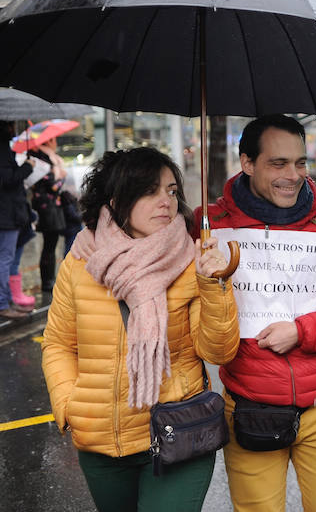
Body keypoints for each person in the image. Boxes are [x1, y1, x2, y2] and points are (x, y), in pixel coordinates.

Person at [196, 114, 316, 512]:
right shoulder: (210, 229)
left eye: (300, 162)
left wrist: (303, 330)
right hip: (248, 405)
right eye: (278, 163)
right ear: (247, 163)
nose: (292, 175)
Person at [41, 147, 239, 512]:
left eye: (171, 190)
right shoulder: (81, 260)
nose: (165, 201)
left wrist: (214, 285)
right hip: (101, 442)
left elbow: (218, 352)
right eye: (149, 190)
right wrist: (68, 405)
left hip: (178, 434)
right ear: (116, 199)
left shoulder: (190, 259)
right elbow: (58, 344)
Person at [0, 121, 34, 319]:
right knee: (5, 259)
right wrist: (27, 167)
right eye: (12, 124)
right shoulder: (3, 150)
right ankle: (3, 303)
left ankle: (7, 300)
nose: (15, 128)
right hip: (7, 214)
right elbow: (7, 179)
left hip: (8, 214)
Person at [28, 136, 67, 297]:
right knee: (50, 246)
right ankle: (48, 282)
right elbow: (53, 186)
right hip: (48, 209)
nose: (56, 144)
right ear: (48, 142)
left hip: (49, 208)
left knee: (50, 246)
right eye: (54, 140)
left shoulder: (44, 159)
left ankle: (49, 280)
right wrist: (62, 177)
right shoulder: (43, 160)